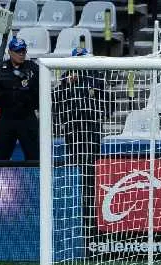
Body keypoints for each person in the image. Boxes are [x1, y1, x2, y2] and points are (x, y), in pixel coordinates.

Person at [54, 47, 108, 246]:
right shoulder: (66, 77)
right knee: (76, 164)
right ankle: (79, 203)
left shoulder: (96, 77)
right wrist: (67, 85)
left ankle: (91, 204)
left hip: (91, 129)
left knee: (91, 167)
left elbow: (105, 102)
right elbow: (57, 101)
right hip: (72, 129)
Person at [0, 36, 40, 161]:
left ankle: (35, 180)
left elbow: (40, 90)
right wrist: (6, 104)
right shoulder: (0, 70)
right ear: (10, 52)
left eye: (23, 51)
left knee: (33, 157)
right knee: (2, 156)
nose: (21, 54)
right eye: (18, 51)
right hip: (7, 119)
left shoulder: (33, 68)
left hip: (27, 118)